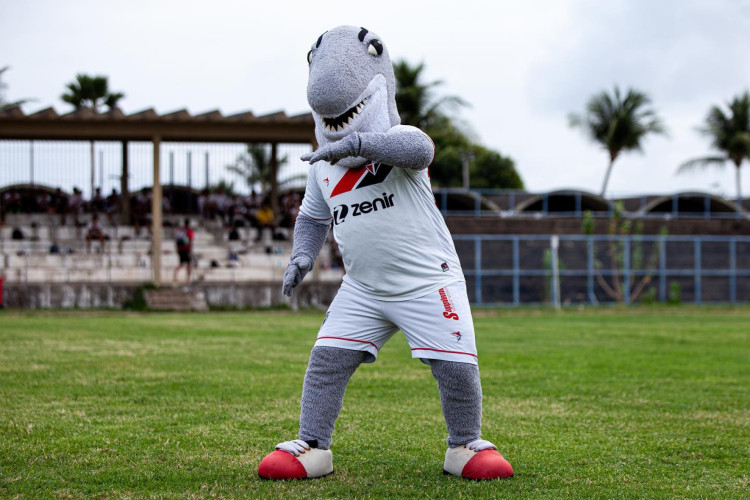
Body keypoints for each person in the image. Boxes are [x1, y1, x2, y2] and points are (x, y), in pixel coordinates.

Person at [258, 26, 513, 481]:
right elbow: (313, 218)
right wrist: (302, 256)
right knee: (326, 362)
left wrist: (358, 144)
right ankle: (313, 445)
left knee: (455, 368)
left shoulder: (398, 140)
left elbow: (421, 149)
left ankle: (465, 444)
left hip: (427, 281)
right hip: (363, 287)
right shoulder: (323, 168)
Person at [173, 218, 194, 283]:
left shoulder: (180, 231)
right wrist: (190, 250)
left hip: (180, 249)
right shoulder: (189, 231)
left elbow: (176, 240)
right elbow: (190, 241)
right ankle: (187, 278)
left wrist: (177, 249)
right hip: (186, 249)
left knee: (182, 263)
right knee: (188, 264)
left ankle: (175, 273)